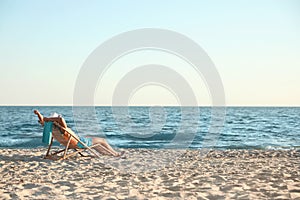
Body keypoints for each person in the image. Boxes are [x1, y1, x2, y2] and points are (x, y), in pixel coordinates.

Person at [34, 110, 124, 157]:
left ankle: (108, 154)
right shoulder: (63, 130)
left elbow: (42, 120)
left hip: (70, 144)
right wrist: (50, 118)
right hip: (79, 143)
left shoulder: (51, 128)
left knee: (96, 144)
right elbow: (61, 119)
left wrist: (39, 114)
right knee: (102, 141)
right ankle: (115, 154)